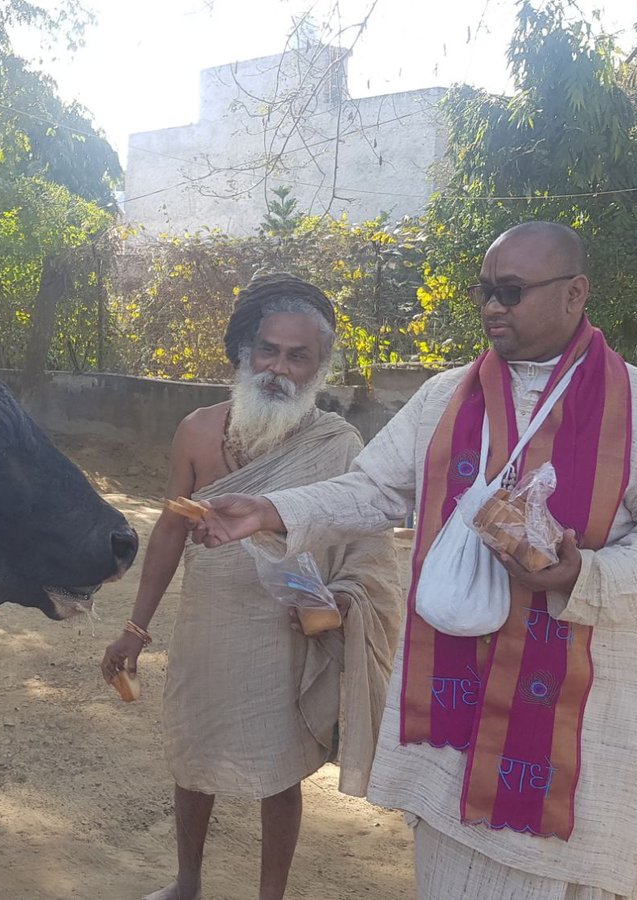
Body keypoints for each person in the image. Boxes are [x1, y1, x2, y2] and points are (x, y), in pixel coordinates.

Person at [193, 222, 637, 899]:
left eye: (512, 291)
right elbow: (373, 489)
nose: (493, 306)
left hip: (581, 716)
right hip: (456, 714)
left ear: (574, 293)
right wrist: (272, 510)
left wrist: (583, 576)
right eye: (485, 291)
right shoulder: (444, 398)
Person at [101, 273, 402, 900]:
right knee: (193, 754)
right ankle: (187, 882)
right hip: (208, 621)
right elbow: (169, 531)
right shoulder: (196, 431)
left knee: (279, 772)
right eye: (268, 350)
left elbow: (364, 541)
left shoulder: (338, 444)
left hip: (284, 629)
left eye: (298, 356)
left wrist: (339, 601)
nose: (278, 368)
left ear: (319, 368)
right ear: (245, 352)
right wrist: (135, 627)